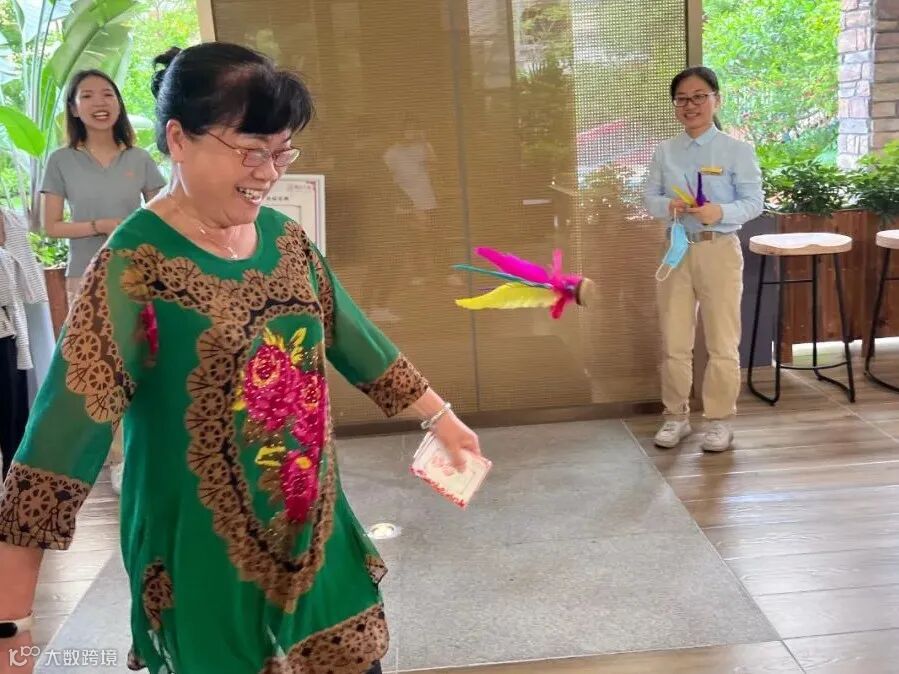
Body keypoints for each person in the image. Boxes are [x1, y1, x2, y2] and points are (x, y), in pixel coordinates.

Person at [0, 42, 480, 674]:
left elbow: (351, 334)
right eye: (251, 150)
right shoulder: (134, 264)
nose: (268, 173)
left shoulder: (285, 239)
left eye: (282, 152)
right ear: (178, 139)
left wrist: (440, 416)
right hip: (202, 560)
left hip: (315, 538)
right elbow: (59, 441)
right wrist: (13, 627)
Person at [40, 69, 167, 492]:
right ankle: (117, 458)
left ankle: (149, 449)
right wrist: (102, 225)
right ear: (74, 108)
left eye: (108, 94)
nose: (100, 102)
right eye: (88, 95)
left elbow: (164, 216)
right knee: (104, 367)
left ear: (119, 103)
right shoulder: (61, 160)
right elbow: (50, 226)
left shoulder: (139, 158)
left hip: (139, 275)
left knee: (147, 362)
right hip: (86, 275)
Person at [644, 66, 763, 452]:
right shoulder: (665, 151)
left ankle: (719, 421)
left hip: (719, 249)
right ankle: (675, 417)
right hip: (676, 249)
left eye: (699, 97)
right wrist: (669, 205)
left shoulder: (737, 150)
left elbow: (754, 202)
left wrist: (720, 212)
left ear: (716, 100)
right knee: (674, 340)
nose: (690, 105)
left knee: (722, 342)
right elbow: (649, 198)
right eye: (682, 99)